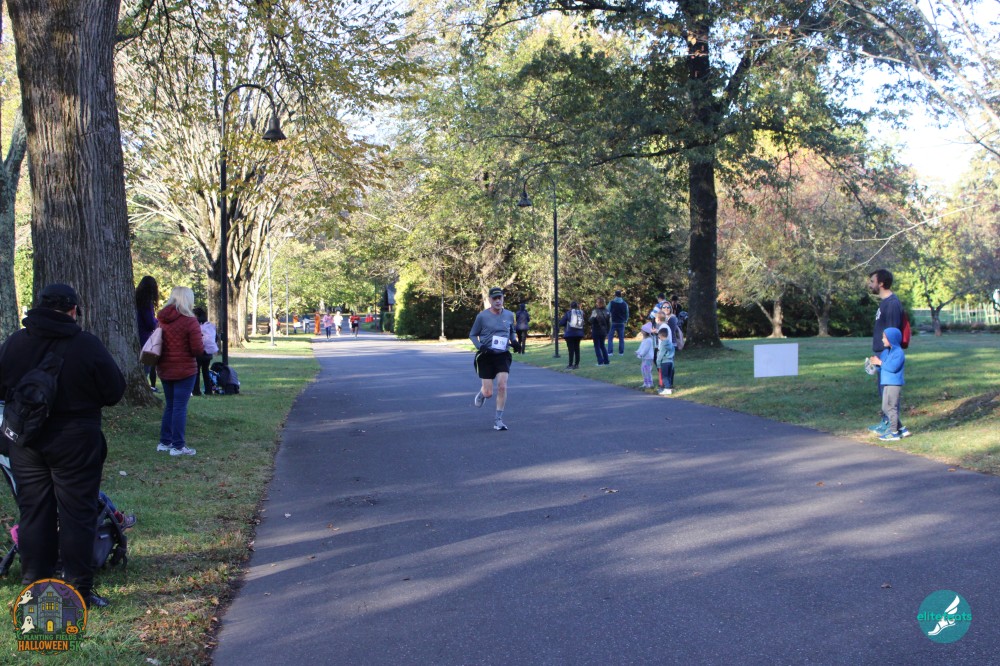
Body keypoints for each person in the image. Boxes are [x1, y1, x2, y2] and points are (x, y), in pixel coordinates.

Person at [0, 283, 126, 609]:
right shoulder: (86, 344)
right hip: (76, 439)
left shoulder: (15, 342)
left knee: (34, 513)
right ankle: (78, 589)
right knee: (77, 514)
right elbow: (114, 391)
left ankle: (34, 586)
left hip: (27, 441)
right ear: (73, 310)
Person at [155, 287, 204, 457]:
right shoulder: (190, 321)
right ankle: (178, 445)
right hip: (185, 369)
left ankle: (165, 441)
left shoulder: (162, 319)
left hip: (165, 367)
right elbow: (197, 349)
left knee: (170, 405)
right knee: (179, 407)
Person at [469, 287, 521, 431]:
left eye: (500, 298)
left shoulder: (509, 315)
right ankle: (482, 394)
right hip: (486, 355)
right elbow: (472, 335)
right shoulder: (482, 316)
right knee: (488, 393)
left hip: (502, 355)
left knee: (502, 385)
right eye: (495, 298)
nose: (498, 301)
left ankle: (498, 420)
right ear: (490, 300)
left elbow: (512, 331)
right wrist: (481, 347)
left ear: (503, 299)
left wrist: (514, 342)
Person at [867, 269, 904, 435]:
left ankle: (892, 426)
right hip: (880, 353)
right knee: (882, 390)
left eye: (872, 281)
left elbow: (893, 334)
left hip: (886, 354)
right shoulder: (884, 303)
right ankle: (888, 422)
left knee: (888, 392)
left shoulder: (892, 304)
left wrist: (885, 357)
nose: (870, 284)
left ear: (881, 283)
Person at [869, 327, 910, 440]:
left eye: (884, 337)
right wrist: (874, 365)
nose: (882, 339)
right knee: (885, 408)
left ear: (892, 339)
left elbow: (892, 368)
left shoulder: (898, 353)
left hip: (894, 384)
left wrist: (880, 363)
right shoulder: (885, 352)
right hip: (886, 383)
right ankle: (902, 429)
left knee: (891, 407)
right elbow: (883, 368)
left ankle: (893, 432)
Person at [135, 276, 159, 392]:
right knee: (146, 367)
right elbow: (150, 323)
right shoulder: (146, 303)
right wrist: (157, 322)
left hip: (137, 335)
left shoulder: (135, 300)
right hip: (145, 339)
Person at [192, 307, 218, 396]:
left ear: (196, 315)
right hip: (208, 352)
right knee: (205, 371)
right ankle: (208, 390)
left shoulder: (195, 325)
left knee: (196, 372)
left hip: (199, 351)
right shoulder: (209, 325)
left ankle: (196, 391)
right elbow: (216, 338)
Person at [558, 301, 586, 369]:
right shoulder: (580, 313)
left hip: (570, 334)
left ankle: (570, 364)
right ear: (577, 306)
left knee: (571, 350)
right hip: (579, 334)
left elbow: (561, 323)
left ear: (570, 306)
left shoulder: (568, 313)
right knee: (577, 349)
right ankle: (577, 364)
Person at [606, 290, 629, 356]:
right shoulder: (625, 304)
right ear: (621, 295)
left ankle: (610, 352)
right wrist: (625, 320)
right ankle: (621, 353)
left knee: (610, 338)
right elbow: (627, 313)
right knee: (621, 339)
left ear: (615, 295)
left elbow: (607, 311)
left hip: (612, 322)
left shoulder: (611, 302)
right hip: (621, 323)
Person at [590, 297, 610, 365]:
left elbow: (591, 320)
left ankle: (600, 361)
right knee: (602, 345)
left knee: (597, 346)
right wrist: (607, 331)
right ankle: (606, 361)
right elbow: (608, 323)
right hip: (604, 331)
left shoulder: (595, 311)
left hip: (596, 330)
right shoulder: (607, 311)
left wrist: (592, 317)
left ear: (598, 303)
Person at [656, 325, 675, 396]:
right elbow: (673, 352)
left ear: (661, 335)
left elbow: (661, 354)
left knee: (664, 376)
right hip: (670, 361)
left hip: (664, 362)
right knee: (669, 376)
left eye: (659, 336)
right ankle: (669, 387)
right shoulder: (670, 343)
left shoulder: (663, 344)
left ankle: (667, 389)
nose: (659, 338)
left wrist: (658, 362)